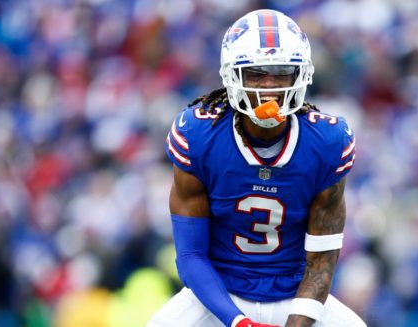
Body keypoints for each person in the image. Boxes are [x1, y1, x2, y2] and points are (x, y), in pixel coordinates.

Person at [148, 9, 366, 327]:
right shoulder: (199, 135)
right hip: (218, 295)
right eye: (256, 73)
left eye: (281, 72)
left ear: (301, 75)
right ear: (232, 76)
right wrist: (238, 322)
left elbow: (321, 262)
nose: (269, 87)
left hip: (295, 293)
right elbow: (190, 256)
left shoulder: (327, 142)